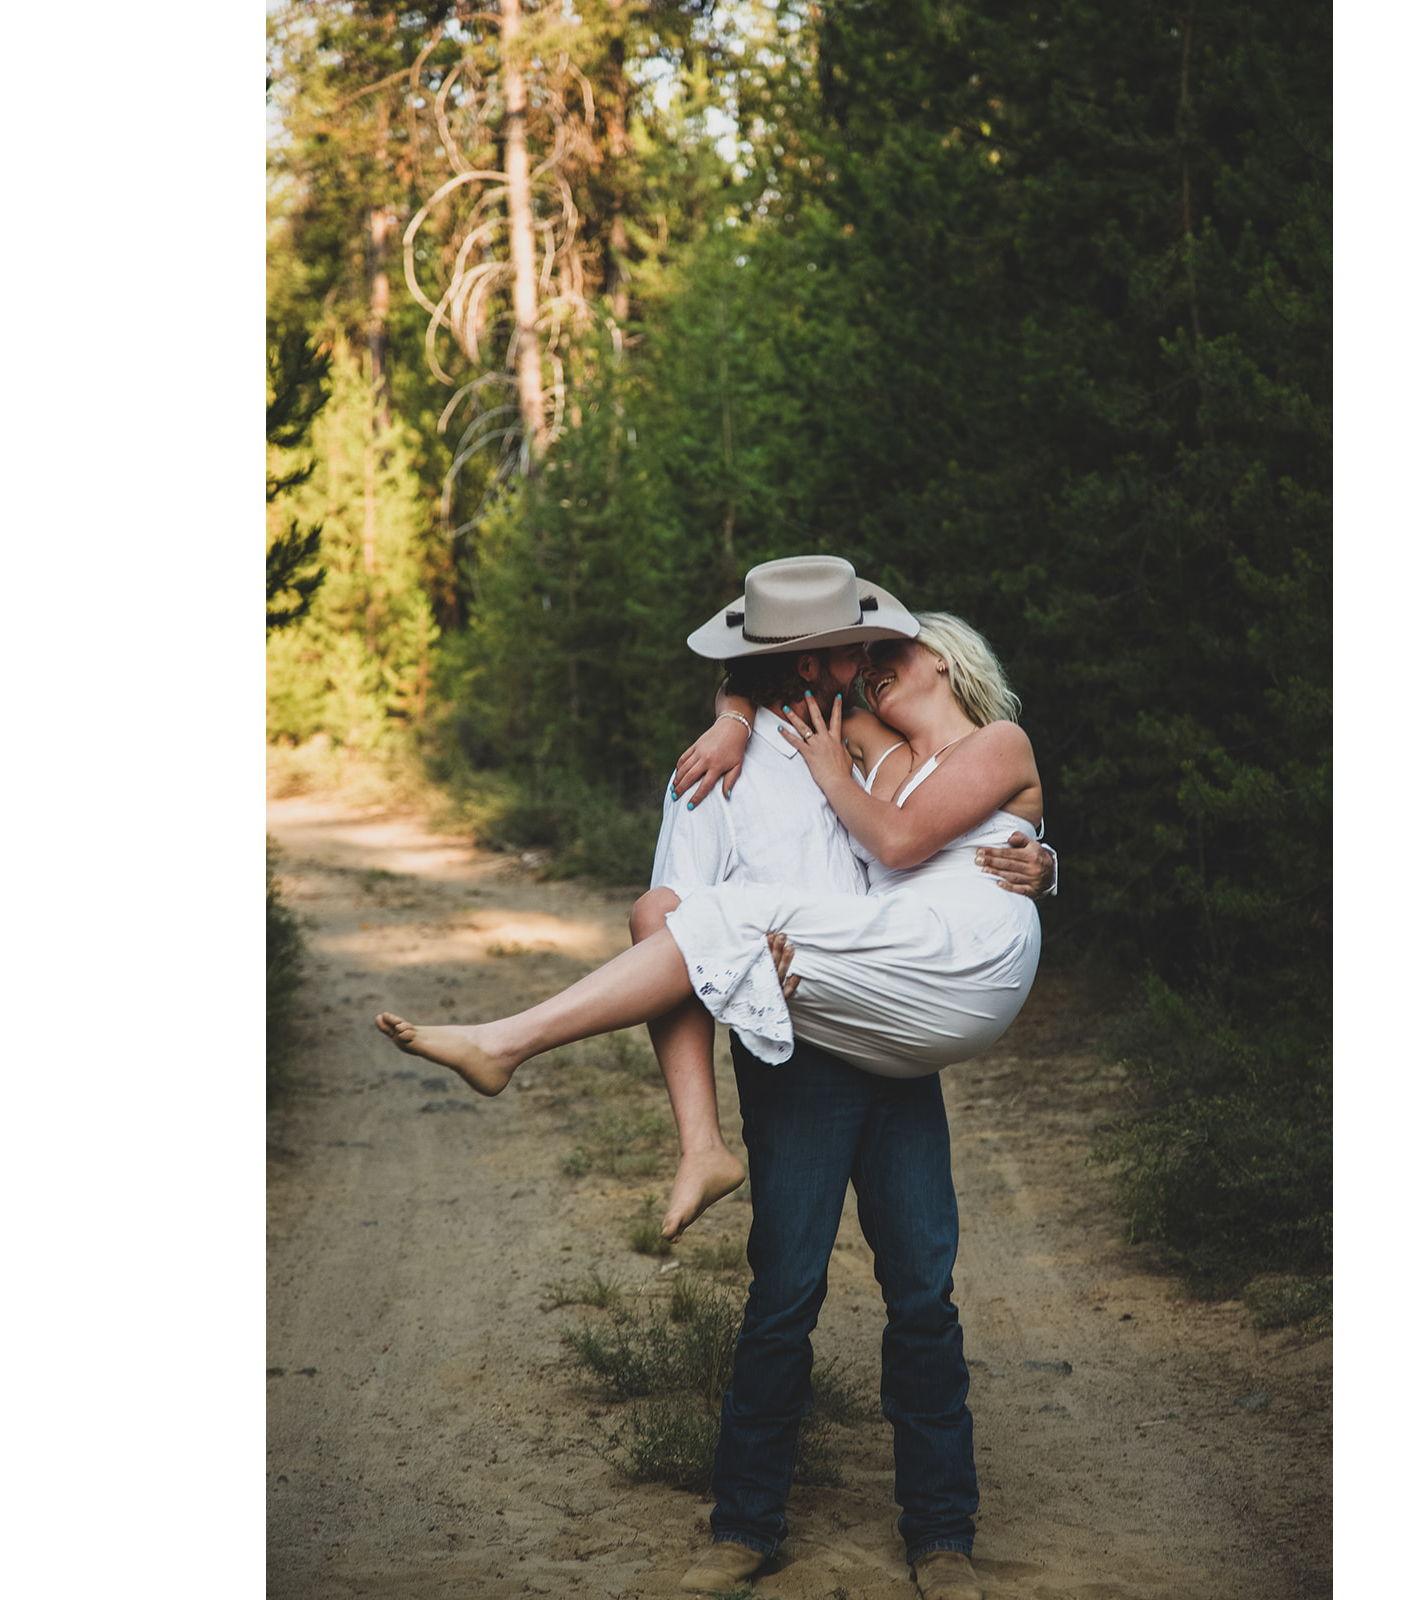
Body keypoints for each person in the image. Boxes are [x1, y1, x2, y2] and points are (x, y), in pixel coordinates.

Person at [375, 556, 1055, 1599]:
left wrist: (1044, 862)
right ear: (795, 661)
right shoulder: (714, 769)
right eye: (842, 650)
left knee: (923, 1288)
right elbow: (666, 919)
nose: (860, 662)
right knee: (785, 1289)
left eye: (868, 649)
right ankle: (743, 1525)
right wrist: (734, 717)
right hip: (796, 1049)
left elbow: (964, 827)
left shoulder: (864, 739)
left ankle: (942, 1535)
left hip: (890, 1031)